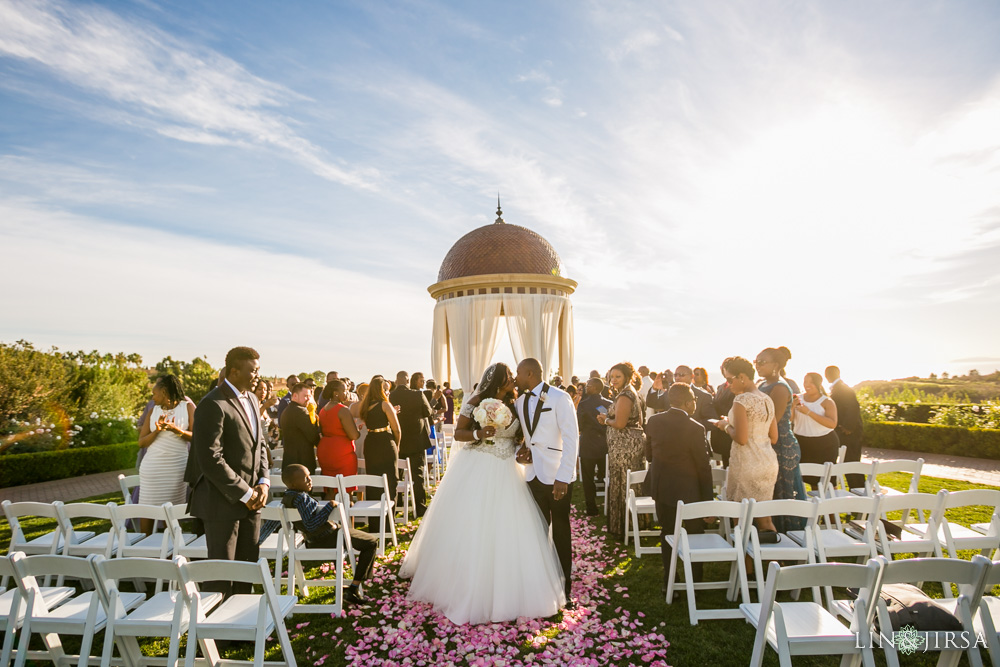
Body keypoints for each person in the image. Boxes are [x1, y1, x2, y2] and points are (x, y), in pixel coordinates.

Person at [400, 363, 566, 624]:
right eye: (509, 377)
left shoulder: (517, 403)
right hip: (478, 465)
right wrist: (479, 432)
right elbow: (459, 433)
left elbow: (523, 436)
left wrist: (522, 449)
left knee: (510, 525)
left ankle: (513, 584)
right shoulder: (476, 400)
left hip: (507, 469)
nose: (513, 380)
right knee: (474, 523)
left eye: (514, 376)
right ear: (499, 381)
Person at [187, 346, 269, 597]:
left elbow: (260, 445)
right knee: (222, 575)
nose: (257, 375)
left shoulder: (253, 399)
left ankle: (244, 629)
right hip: (222, 501)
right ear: (234, 371)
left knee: (247, 569)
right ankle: (219, 635)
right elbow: (210, 458)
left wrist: (264, 482)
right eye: (253, 370)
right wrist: (245, 493)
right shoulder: (212, 403)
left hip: (253, 500)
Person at [259, 464, 377, 605]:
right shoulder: (302, 498)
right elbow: (311, 525)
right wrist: (329, 507)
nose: (310, 480)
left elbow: (271, 524)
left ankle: (345, 583)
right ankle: (354, 587)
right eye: (305, 478)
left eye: (309, 476)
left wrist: (257, 541)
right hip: (329, 538)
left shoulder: (285, 500)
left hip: (313, 541)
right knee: (371, 542)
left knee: (355, 538)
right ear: (292, 483)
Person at [514, 357, 579, 604]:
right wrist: (522, 451)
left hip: (556, 476)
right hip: (531, 475)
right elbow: (528, 438)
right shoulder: (520, 402)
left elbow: (572, 439)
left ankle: (565, 587)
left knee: (561, 530)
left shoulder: (560, 398)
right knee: (537, 532)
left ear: (530, 373)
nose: (516, 378)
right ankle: (541, 585)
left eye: (519, 373)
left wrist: (563, 476)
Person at [645, 383, 714, 591]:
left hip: (662, 488)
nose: (695, 403)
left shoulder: (654, 421)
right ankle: (696, 583)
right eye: (693, 399)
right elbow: (703, 467)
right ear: (686, 402)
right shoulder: (696, 428)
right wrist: (708, 501)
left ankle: (670, 581)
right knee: (694, 535)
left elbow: (648, 455)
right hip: (689, 490)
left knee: (667, 533)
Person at [713, 356, 779, 535]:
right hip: (767, 462)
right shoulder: (766, 399)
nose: (727, 384)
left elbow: (741, 439)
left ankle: (745, 563)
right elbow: (773, 437)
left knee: (741, 519)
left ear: (742, 376)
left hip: (747, 463)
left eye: (729, 379)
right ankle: (773, 560)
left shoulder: (741, 401)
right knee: (765, 518)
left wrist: (725, 425)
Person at [755, 347, 808, 531]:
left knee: (783, 493)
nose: (757, 366)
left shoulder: (779, 387)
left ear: (776, 365)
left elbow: (773, 421)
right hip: (766, 444)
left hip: (782, 446)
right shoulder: (761, 384)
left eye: (762, 362)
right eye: (756, 362)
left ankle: (789, 537)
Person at [137, 374, 194, 534]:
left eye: (155, 394)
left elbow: (197, 436)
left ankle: (172, 550)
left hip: (176, 468)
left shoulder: (187, 407)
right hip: (152, 468)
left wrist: (176, 430)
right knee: (147, 509)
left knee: (172, 512)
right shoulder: (153, 411)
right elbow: (141, 442)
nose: (153, 398)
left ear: (164, 392)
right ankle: (147, 547)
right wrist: (158, 431)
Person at [596, 361, 646, 540]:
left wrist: (605, 420)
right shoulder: (630, 392)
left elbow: (620, 423)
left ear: (626, 376)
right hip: (627, 445)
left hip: (625, 448)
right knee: (628, 483)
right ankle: (633, 526)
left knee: (623, 483)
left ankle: (625, 527)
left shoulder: (625, 395)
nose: (613, 380)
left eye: (618, 376)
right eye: (611, 377)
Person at [358, 375, 401, 531]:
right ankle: (389, 526)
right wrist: (397, 445)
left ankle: (375, 526)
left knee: (373, 483)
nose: (388, 393)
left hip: (370, 443)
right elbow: (396, 429)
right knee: (390, 482)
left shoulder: (365, 406)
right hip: (385, 442)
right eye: (386, 390)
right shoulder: (385, 405)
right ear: (381, 390)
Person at [390, 371, 433, 517]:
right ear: (408, 381)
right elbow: (428, 412)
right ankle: (420, 507)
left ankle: (399, 503)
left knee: (397, 474)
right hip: (416, 440)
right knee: (417, 474)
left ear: (396, 381)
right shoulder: (417, 395)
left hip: (398, 440)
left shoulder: (390, 396)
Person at [792, 372, 840, 487]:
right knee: (802, 478)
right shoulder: (797, 399)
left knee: (825, 482)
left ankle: (829, 503)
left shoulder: (827, 401)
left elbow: (832, 424)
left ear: (818, 384)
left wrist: (808, 412)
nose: (807, 385)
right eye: (805, 382)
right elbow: (790, 420)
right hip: (801, 442)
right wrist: (792, 407)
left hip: (825, 443)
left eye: (811, 382)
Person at [317, 379, 361, 498]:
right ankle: (347, 516)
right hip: (341, 453)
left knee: (331, 489)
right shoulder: (343, 410)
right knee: (346, 492)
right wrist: (358, 430)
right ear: (336, 393)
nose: (347, 393)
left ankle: (329, 515)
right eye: (345, 390)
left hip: (325, 451)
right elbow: (354, 435)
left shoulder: (323, 410)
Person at [825, 365, 865, 486]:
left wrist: (848, 427)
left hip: (850, 434)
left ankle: (858, 490)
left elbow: (853, 408)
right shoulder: (838, 388)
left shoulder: (843, 389)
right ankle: (857, 489)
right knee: (848, 463)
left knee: (851, 463)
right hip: (844, 432)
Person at [577, 378, 611, 516]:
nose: (586, 388)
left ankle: (591, 508)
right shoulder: (609, 403)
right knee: (607, 478)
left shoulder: (583, 404)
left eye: (588, 386)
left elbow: (579, 424)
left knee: (588, 478)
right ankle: (610, 505)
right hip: (604, 445)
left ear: (595, 388)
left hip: (588, 445)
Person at [280, 382, 320, 473]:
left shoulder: (288, 410)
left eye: (309, 396)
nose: (308, 399)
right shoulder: (301, 412)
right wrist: (313, 414)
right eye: (305, 396)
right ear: (294, 396)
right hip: (302, 463)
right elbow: (313, 436)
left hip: (290, 460)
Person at [673, 365, 719, 437]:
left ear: (692, 376)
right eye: (675, 375)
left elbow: (712, 421)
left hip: (693, 440)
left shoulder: (704, 396)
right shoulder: (669, 393)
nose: (677, 378)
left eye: (681, 375)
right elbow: (654, 403)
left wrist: (689, 425)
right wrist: (655, 389)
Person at [710, 360, 736, 467]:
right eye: (721, 367)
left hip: (730, 430)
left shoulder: (736, 387)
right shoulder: (721, 387)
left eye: (725, 367)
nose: (722, 370)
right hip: (719, 431)